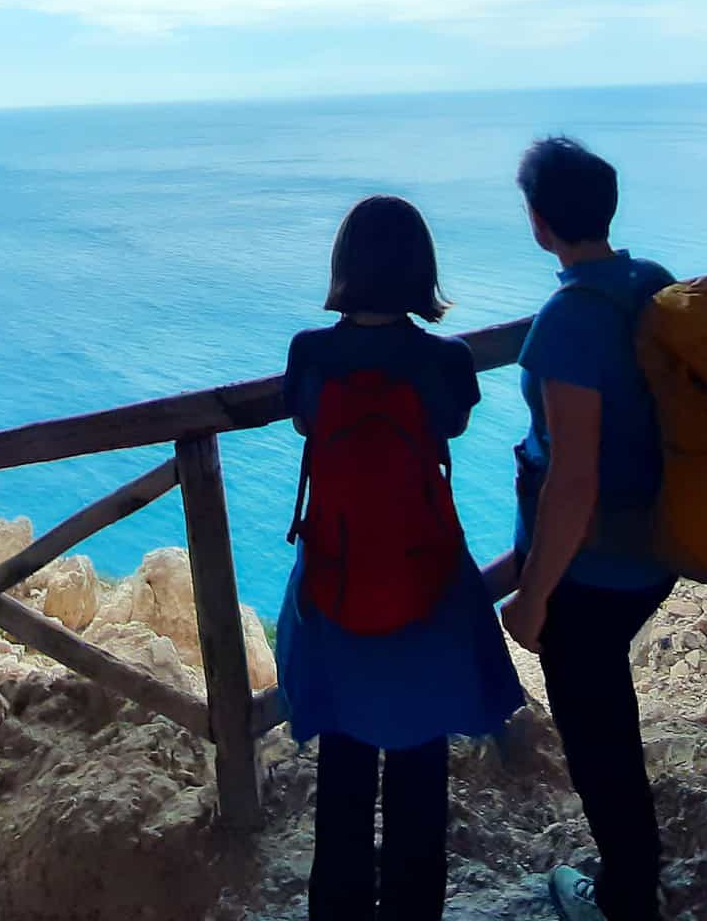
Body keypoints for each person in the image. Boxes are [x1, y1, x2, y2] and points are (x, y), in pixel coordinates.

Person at [275, 194, 524, 921]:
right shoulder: (446, 360)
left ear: (342, 268)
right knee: (421, 775)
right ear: (421, 270)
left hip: (336, 580)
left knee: (343, 778)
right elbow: (453, 422)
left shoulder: (308, 353)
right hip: (427, 585)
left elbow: (302, 419)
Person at [499, 136, 677, 921]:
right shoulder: (654, 283)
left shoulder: (567, 322)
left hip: (593, 567)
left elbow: (572, 479)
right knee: (610, 708)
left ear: (539, 223)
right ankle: (635, 873)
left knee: (597, 736)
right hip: (656, 542)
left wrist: (532, 597)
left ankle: (625, 897)